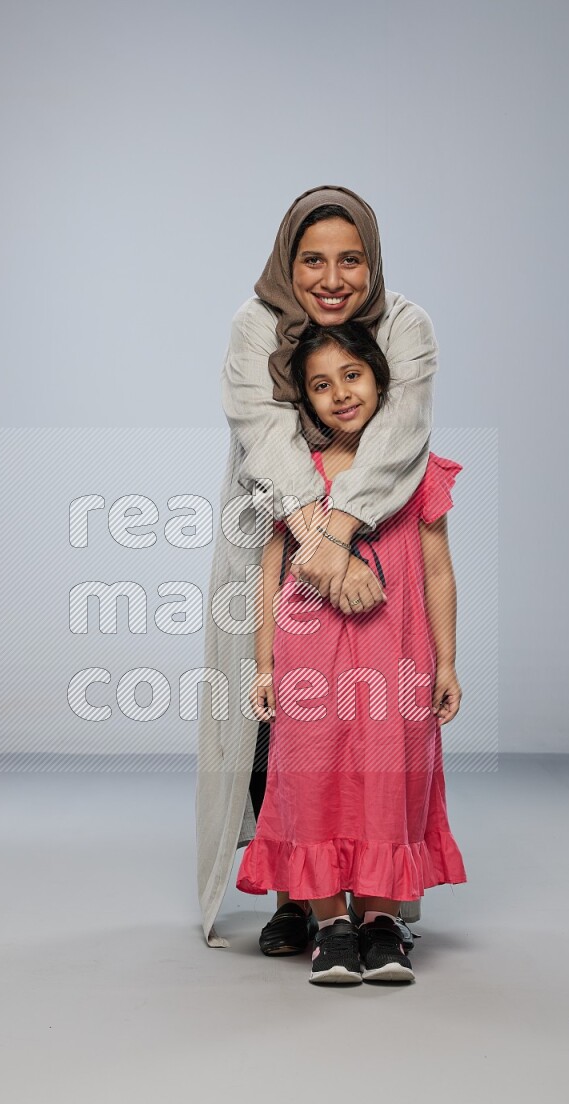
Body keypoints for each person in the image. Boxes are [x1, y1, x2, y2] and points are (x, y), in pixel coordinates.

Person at [196, 185, 438, 948]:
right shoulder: (253, 325)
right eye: (312, 261)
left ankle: (372, 896)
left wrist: (339, 533)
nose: (332, 279)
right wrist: (317, 546)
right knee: (278, 721)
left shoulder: (405, 324)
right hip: (274, 529)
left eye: (350, 260)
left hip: (378, 533)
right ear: (286, 262)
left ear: (372, 262)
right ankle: (296, 897)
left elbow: (400, 434)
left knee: (365, 728)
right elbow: (264, 434)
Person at [235, 321, 467, 984]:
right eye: (321, 385)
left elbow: (439, 571)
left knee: (387, 779)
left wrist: (447, 661)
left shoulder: (415, 468)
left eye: (353, 376)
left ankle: (382, 921)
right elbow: (270, 571)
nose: (340, 393)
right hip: (309, 656)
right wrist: (263, 664)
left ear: (382, 379)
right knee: (311, 781)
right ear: (306, 402)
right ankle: (331, 924)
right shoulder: (297, 481)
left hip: (396, 656)